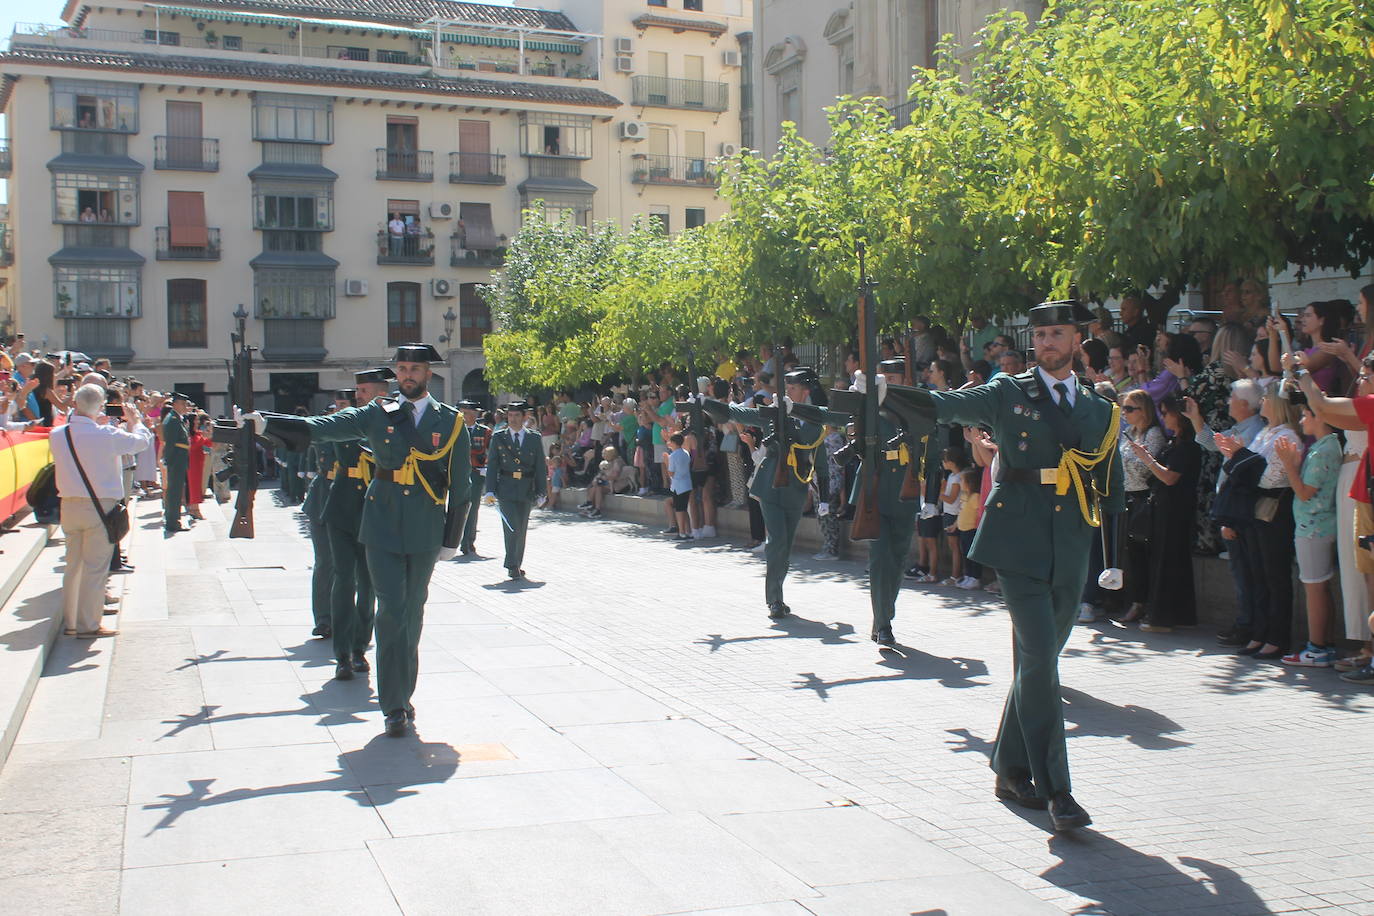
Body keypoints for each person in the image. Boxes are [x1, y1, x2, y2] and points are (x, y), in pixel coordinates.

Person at [901, 302, 1125, 831]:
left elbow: (1110, 488)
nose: (1047, 341)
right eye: (1041, 333)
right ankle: (1058, 791)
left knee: (1036, 663)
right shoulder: (1008, 391)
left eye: (1058, 333)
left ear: (1076, 341)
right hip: (1016, 541)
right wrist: (892, 399)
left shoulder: (1101, 410)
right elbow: (950, 405)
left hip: (1071, 541)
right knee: (1043, 659)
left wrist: (1115, 556)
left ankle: (1007, 765)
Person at [242, 344, 471, 737]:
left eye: (415, 368)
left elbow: (462, 484)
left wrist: (452, 538)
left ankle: (404, 693)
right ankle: (393, 705)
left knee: (412, 613)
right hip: (380, 523)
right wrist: (268, 423)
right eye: (402, 368)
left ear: (428, 375)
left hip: (424, 526)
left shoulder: (449, 421)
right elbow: (322, 428)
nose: (408, 375)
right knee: (391, 609)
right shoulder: (377, 413)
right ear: (396, 373)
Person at [701, 367, 848, 619]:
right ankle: (775, 599)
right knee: (777, 541)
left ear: (805, 391)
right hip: (770, 485)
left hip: (796, 488)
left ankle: (778, 594)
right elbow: (740, 413)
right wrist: (707, 404)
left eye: (791, 388)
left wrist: (823, 499)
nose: (786, 393)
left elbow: (820, 461)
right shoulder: (774, 415)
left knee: (786, 545)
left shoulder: (814, 421)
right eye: (786, 388)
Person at [1284, 349, 1374, 683]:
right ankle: (1370, 652)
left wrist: (1298, 370)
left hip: (1370, 500)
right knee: (1366, 577)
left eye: (1365, 375)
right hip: (1364, 495)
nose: (1360, 380)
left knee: (1371, 579)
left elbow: (1321, 407)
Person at [52, 384, 151, 638]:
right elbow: (141, 442)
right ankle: (88, 625)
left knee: (73, 565)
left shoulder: (58, 434)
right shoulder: (106, 434)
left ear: (75, 404)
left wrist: (96, 420)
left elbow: (79, 433)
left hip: (69, 505)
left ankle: (72, 621)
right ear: (99, 406)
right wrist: (135, 421)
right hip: (100, 506)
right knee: (95, 568)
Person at [1217, 382, 1302, 660]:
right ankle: (1260, 632)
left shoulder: (1288, 435)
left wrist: (1239, 456)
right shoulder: (1266, 432)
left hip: (1274, 512)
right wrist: (1237, 454)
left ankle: (1277, 637)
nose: (1262, 400)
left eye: (1266, 397)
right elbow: (1248, 467)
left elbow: (1268, 477)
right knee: (1259, 576)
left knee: (1275, 577)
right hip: (1254, 512)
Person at [324, 370, 391, 679]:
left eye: (364, 390)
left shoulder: (395, 420)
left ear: (380, 392)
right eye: (357, 390)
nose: (358, 395)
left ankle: (359, 647)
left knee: (367, 586)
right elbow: (319, 430)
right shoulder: (349, 418)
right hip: (342, 509)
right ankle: (341, 654)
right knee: (343, 580)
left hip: (373, 510)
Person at [1274, 404, 1342, 667]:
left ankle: (1317, 648)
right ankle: (1326, 645)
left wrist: (1289, 464)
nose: (1301, 420)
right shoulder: (1328, 446)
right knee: (1321, 588)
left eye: (1305, 415)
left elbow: (1304, 492)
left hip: (1313, 528)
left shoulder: (1324, 449)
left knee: (1314, 589)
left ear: (1320, 417)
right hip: (1318, 526)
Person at [1130, 395, 1201, 632]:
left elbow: (1170, 477)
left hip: (1176, 511)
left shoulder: (1188, 446)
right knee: (1168, 561)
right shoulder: (1174, 443)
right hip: (1164, 508)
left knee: (1168, 562)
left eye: (1167, 413)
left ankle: (1162, 617)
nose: (1164, 417)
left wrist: (1146, 459)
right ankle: (1179, 615)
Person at [302, 393, 351, 642]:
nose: (339, 410)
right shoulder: (326, 432)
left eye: (345, 406)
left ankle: (348, 616)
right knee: (324, 561)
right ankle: (323, 619)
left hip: (351, 501)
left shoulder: (362, 431)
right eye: (338, 406)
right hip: (323, 498)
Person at [484, 402, 548, 579]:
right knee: (511, 527)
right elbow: (493, 465)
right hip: (506, 486)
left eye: (517, 416)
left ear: (524, 417)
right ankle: (512, 564)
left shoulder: (533, 438)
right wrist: (489, 490)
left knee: (521, 528)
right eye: (510, 416)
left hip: (526, 487)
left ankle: (517, 563)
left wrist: (542, 491)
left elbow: (540, 467)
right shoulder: (499, 437)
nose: (513, 419)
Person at [1117, 389, 1165, 621]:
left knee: (1143, 553)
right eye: (1123, 408)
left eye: (1129, 408)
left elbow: (1145, 469)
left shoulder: (1153, 434)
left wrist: (1134, 458)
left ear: (1143, 411)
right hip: (1126, 496)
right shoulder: (1127, 433)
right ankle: (1135, 601)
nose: (1124, 413)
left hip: (1143, 497)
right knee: (1130, 553)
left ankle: (1144, 603)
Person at [457, 400, 491, 556]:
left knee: (473, 508)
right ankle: (460, 539)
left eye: (470, 412)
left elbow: (492, 453)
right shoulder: (455, 430)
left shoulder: (484, 432)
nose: (466, 415)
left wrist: (487, 467)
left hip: (476, 474)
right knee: (459, 507)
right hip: (458, 474)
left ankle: (468, 541)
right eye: (464, 412)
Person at [161, 392, 193, 533]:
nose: (185, 406)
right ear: (174, 404)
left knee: (176, 490)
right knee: (174, 492)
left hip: (179, 458)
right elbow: (171, 443)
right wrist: (169, 460)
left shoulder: (177, 418)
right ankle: (173, 522)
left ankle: (174, 519)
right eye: (182, 403)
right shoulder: (173, 419)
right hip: (176, 459)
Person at [666, 432, 693, 541]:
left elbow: (671, 473)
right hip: (687, 483)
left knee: (679, 510)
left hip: (678, 485)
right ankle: (688, 531)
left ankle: (682, 532)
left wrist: (666, 461)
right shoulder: (686, 452)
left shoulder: (673, 456)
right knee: (684, 508)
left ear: (674, 443)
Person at [186, 413, 212, 520]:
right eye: (196, 420)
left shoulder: (198, 433)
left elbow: (208, 444)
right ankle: (195, 509)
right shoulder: (189, 434)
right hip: (192, 463)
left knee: (197, 485)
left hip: (198, 462)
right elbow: (193, 446)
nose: (197, 422)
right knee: (194, 486)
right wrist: (203, 437)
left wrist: (209, 434)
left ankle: (194, 508)